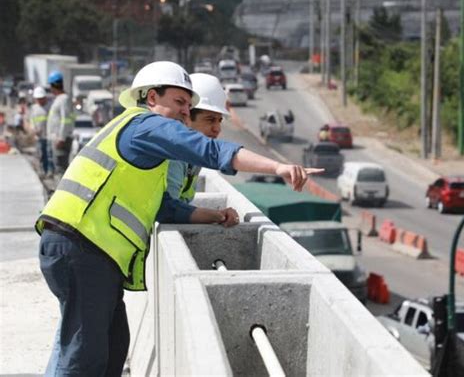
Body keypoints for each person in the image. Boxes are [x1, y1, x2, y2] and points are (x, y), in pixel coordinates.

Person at [36, 61, 322, 376]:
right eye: (178, 102)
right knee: (82, 358)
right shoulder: (147, 126)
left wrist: (213, 216)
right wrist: (278, 167)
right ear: (150, 97)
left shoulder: (143, 140)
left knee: (112, 347)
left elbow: (165, 207)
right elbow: (211, 151)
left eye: (188, 105)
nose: (184, 112)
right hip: (82, 247)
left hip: (91, 253)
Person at [166, 73, 230, 203]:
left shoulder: (192, 155)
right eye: (210, 120)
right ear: (186, 117)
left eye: (219, 121)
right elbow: (170, 211)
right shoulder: (173, 156)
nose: (217, 129)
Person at [46, 71, 74, 177]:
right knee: (58, 167)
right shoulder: (59, 99)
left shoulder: (63, 99)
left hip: (61, 140)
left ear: (53, 85)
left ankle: (61, 192)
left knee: (60, 168)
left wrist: (61, 138)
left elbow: (65, 119)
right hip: (57, 139)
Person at [29, 86, 52, 176]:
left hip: (49, 135)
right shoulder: (34, 108)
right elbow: (32, 120)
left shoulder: (50, 106)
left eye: (41, 98)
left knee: (50, 154)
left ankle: (50, 171)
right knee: (42, 154)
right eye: (38, 99)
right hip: (39, 136)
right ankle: (44, 170)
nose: (40, 101)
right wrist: (34, 129)